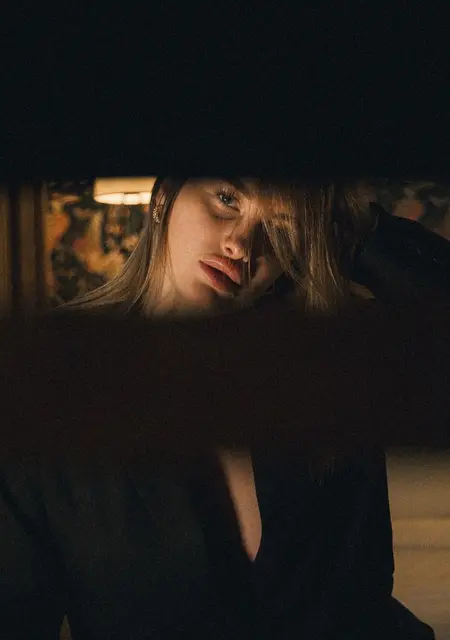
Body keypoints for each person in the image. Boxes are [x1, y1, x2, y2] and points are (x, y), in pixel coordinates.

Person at [0, 177, 437, 639]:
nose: (240, 245)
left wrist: (357, 228)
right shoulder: (51, 385)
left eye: (281, 229)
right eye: (226, 199)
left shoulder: (327, 369)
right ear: (163, 198)